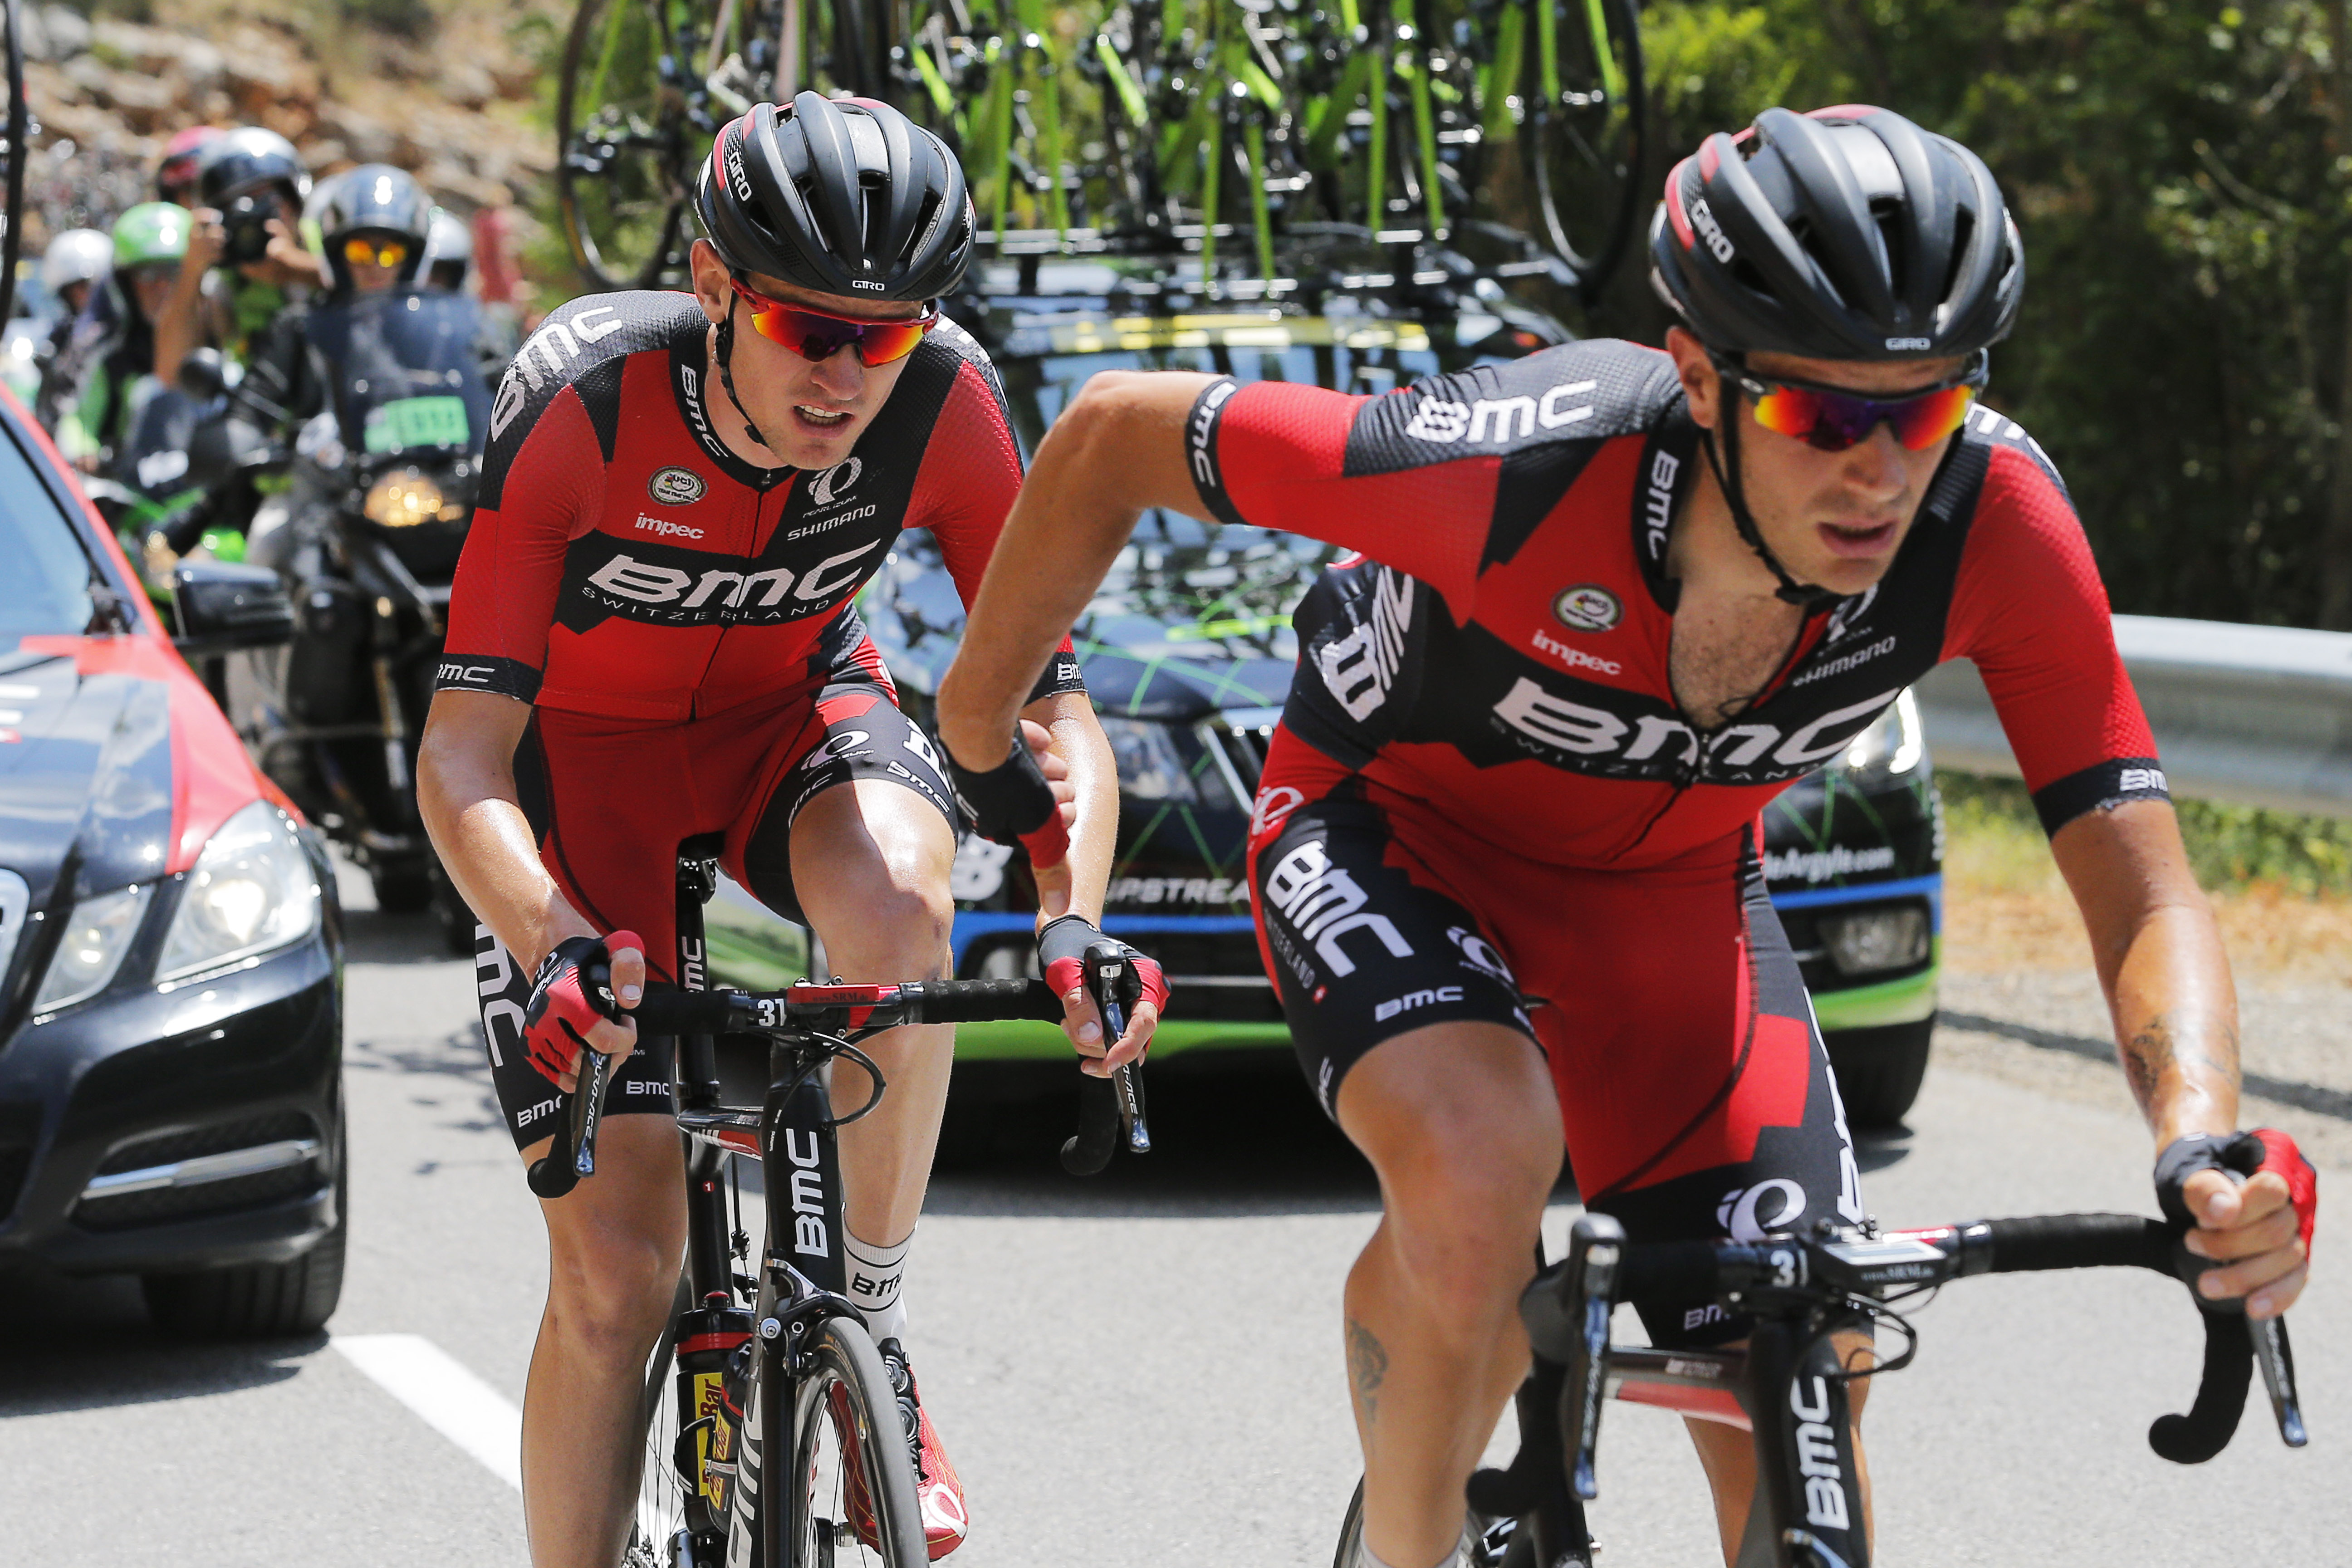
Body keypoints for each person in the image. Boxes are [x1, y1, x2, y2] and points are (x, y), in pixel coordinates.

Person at [932, 103, 2319, 1568]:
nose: (1878, 471)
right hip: (1387, 835)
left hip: (1670, 909)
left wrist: (2201, 1141)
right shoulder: (1524, 467)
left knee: (1804, 1346)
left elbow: (2139, 879)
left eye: (1920, 409)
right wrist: (977, 726)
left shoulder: (1995, 519)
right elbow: (1109, 438)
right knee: (1481, 1168)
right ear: (1700, 380)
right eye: (1821, 415)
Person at [415, 92, 1160, 1568]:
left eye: (881, 333)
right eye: (808, 328)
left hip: (787, 719)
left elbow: (1054, 711)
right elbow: (461, 749)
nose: (845, 370)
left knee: (902, 913)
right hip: (582, 769)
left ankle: (868, 1329)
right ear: (711, 285)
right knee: (621, 1277)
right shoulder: (582, 397)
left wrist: (1076, 919)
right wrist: (553, 941)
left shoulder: (946, 397)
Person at [155, 126, 324, 390]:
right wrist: (191, 270)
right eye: (241, 207)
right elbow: (170, 374)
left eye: (269, 201)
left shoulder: (327, 241)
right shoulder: (222, 282)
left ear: (294, 198)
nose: (257, 218)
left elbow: (378, 293)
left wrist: (295, 269)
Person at [52, 203, 189, 472]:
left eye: (174, 271)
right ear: (125, 283)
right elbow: (79, 419)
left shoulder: (219, 337)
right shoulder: (109, 355)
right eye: (148, 272)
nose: (161, 285)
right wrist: (83, 452)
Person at [34, 228, 112, 424]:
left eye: (94, 287)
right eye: (78, 287)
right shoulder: (61, 336)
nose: (86, 295)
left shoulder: (120, 337)